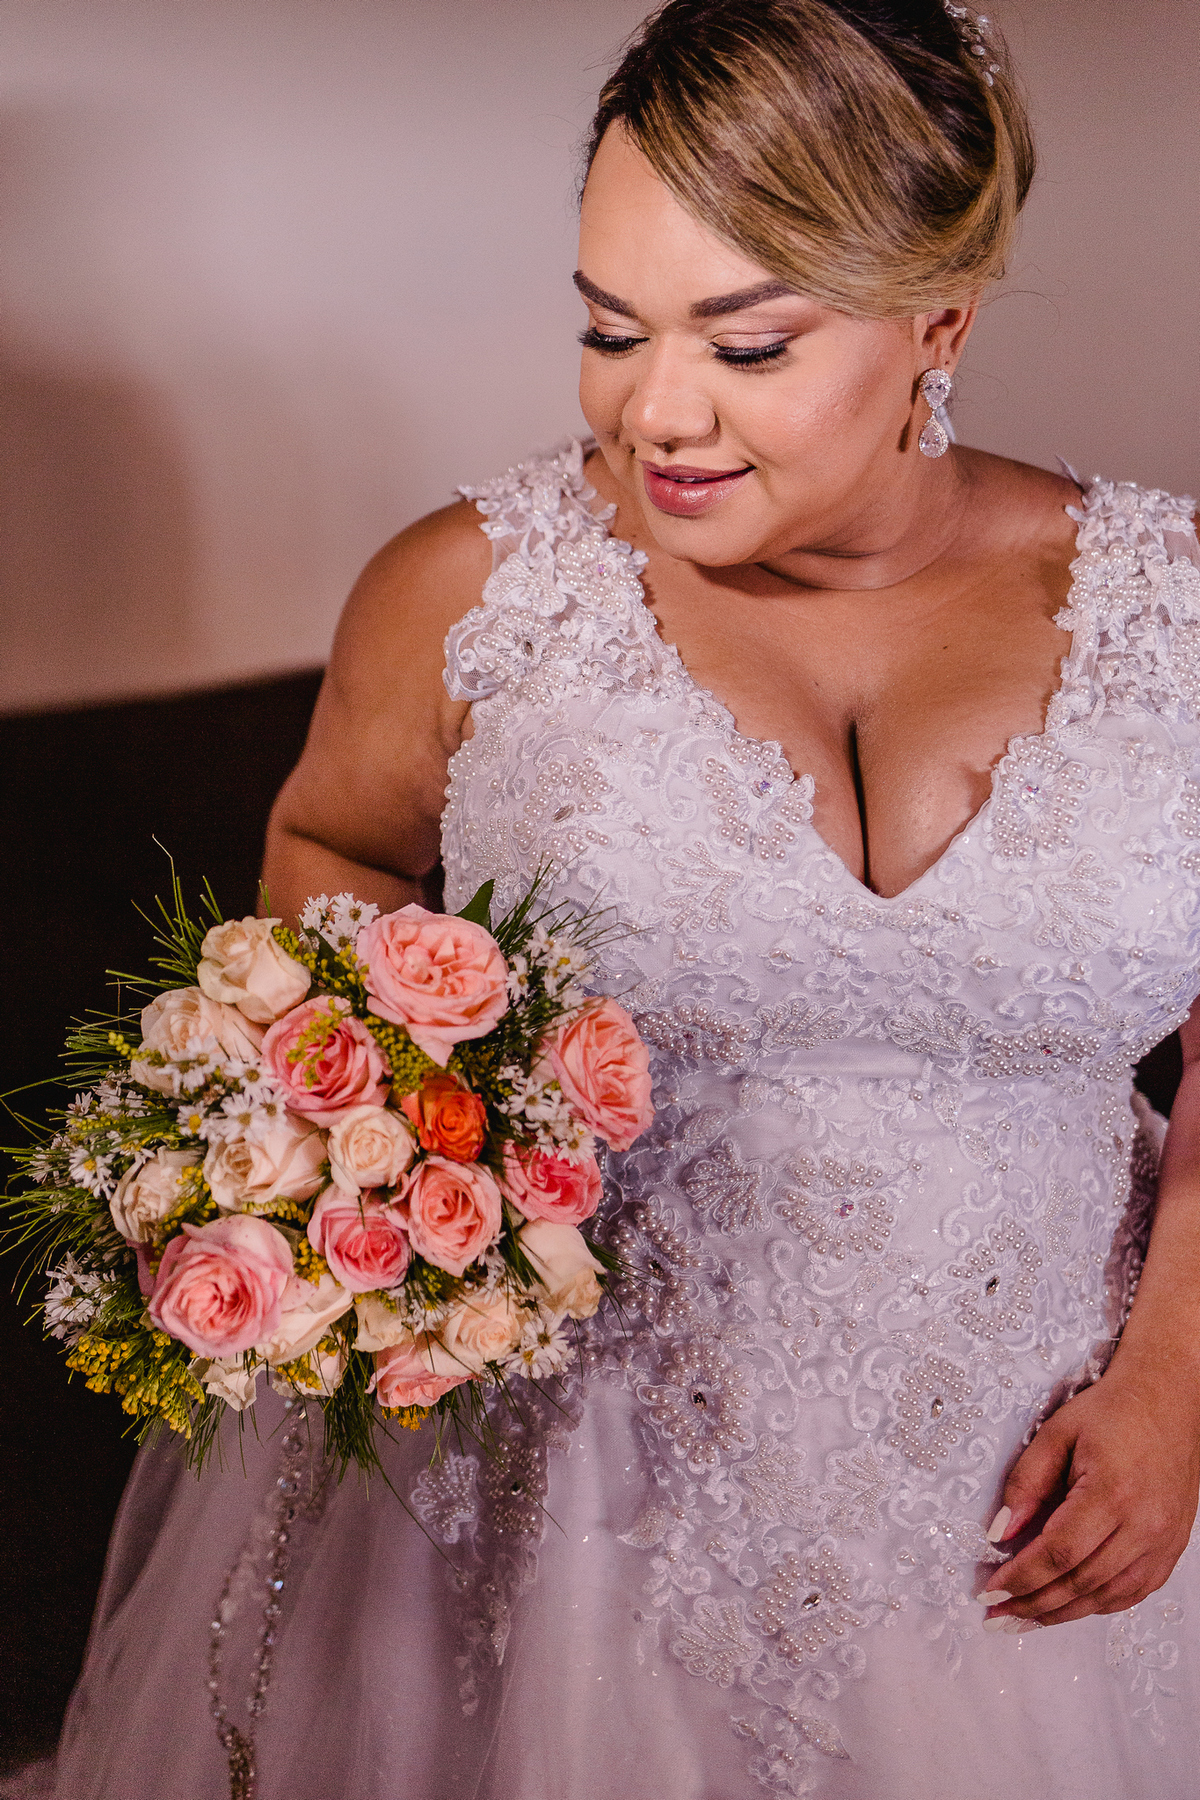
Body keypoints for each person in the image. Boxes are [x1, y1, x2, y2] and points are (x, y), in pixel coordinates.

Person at [53, 2, 1200, 1796]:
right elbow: (335, 855)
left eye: (748, 344)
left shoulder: (1177, 610)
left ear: (940, 325)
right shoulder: (465, 593)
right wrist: (372, 1117)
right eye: (609, 327)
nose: (655, 410)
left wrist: (1176, 1391)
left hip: (1064, 1483)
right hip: (565, 1517)